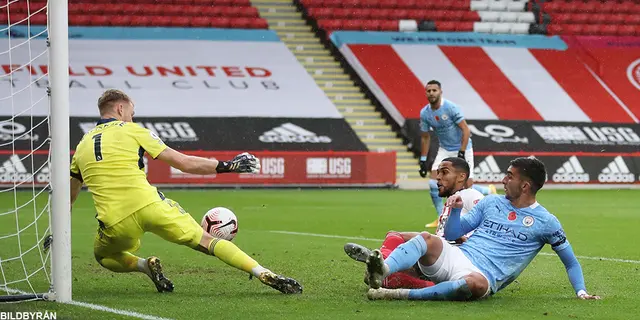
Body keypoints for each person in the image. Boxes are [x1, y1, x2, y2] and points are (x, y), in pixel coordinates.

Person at [69, 89, 303, 294]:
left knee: (104, 257)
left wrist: (56, 232)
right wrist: (226, 166)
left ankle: (144, 266)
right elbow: (182, 162)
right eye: (131, 111)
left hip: (115, 221)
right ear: (120, 108)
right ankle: (261, 271)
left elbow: (69, 196)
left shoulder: (81, 147)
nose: (132, 116)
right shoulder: (133, 130)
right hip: (151, 206)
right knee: (206, 240)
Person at [365, 157, 601, 301]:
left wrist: (581, 292)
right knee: (427, 239)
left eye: (509, 177)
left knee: (474, 285)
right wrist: (456, 210)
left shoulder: (546, 222)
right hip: (458, 256)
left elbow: (570, 262)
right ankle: (383, 270)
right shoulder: (491, 202)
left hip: (483, 276)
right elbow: (452, 235)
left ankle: (397, 293)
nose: (503, 180)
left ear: (525, 185)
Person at [344, 157, 483, 289]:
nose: (438, 177)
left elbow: (488, 221)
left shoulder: (471, 195)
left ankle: (385, 267)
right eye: (438, 172)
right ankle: (383, 265)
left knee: (398, 250)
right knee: (394, 239)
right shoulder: (450, 202)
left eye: (444, 172)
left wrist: (470, 241)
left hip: (455, 257)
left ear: (461, 177)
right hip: (439, 253)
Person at [418, 80, 495, 228]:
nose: (431, 93)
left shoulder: (451, 108)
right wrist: (422, 159)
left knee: (467, 187)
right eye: (429, 91)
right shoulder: (425, 113)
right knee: (434, 183)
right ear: (426, 93)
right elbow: (425, 137)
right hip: (444, 149)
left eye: (434, 90)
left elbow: (466, 130)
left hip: (463, 147)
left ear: (440, 92)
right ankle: (441, 217)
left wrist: (462, 151)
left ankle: (486, 191)